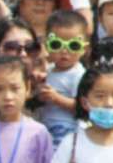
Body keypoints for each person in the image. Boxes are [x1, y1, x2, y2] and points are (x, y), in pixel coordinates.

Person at [38, 10, 89, 145]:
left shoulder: (78, 74)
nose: (64, 52)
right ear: (47, 45)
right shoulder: (48, 70)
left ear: (84, 49)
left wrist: (55, 98)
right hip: (45, 125)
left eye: (73, 46)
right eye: (56, 45)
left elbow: (81, 106)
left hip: (66, 128)